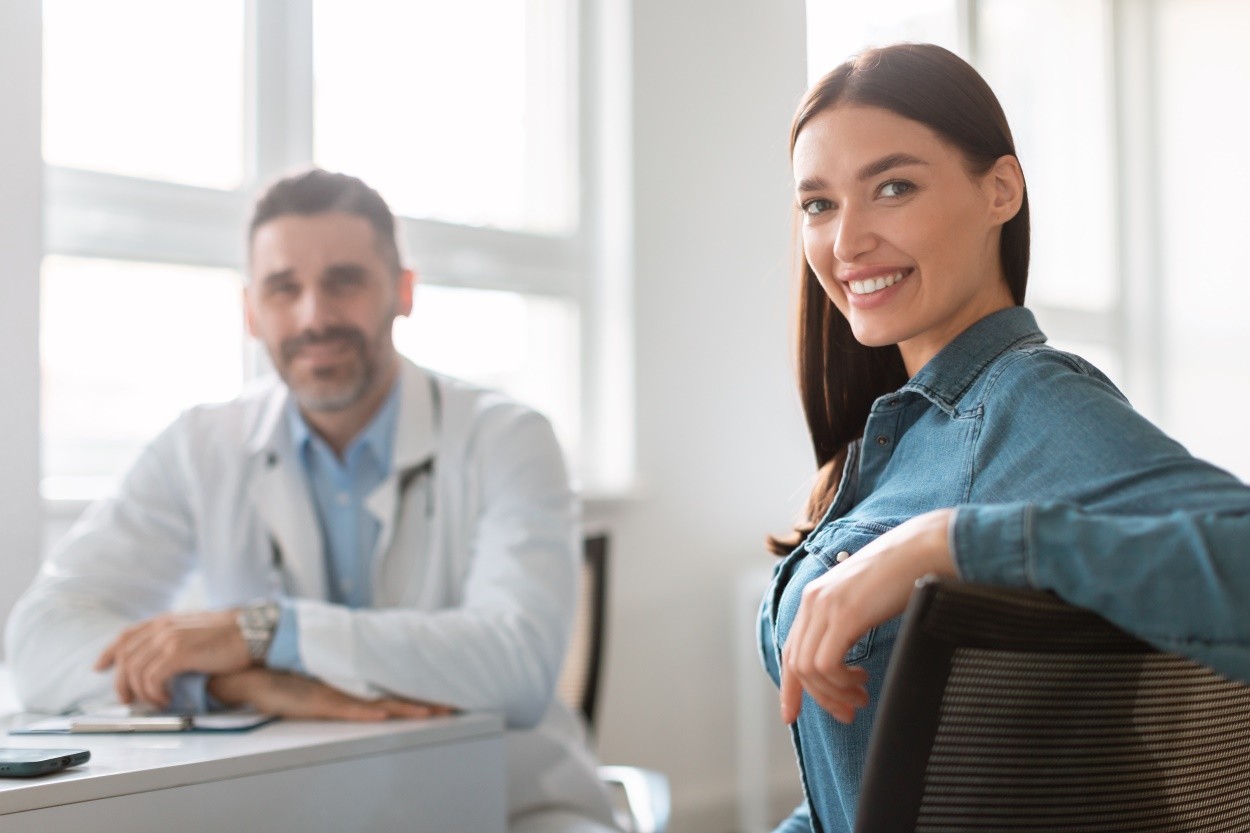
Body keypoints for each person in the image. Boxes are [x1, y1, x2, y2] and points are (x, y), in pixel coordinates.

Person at [5, 169, 619, 833]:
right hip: (294, 807)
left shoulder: (508, 437)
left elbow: (517, 663)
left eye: (344, 280)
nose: (314, 316)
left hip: (513, 803)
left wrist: (264, 632)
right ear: (250, 310)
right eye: (283, 287)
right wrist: (229, 681)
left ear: (403, 291)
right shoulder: (198, 446)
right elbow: (41, 641)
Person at [757, 43, 1250, 833]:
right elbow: (872, 782)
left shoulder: (1029, 401)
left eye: (893, 187)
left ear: (1000, 190)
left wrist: (947, 543)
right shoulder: (900, 440)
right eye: (818, 204)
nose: (846, 242)